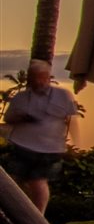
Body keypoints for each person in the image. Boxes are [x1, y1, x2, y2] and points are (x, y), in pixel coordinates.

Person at [5, 59, 83, 212]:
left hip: (49, 148)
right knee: (14, 182)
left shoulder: (62, 95)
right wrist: (21, 118)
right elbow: (8, 119)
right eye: (33, 77)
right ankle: (23, 212)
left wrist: (76, 143)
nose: (37, 80)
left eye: (41, 76)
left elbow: (71, 120)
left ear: (48, 77)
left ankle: (38, 217)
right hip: (22, 145)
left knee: (38, 181)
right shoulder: (20, 98)